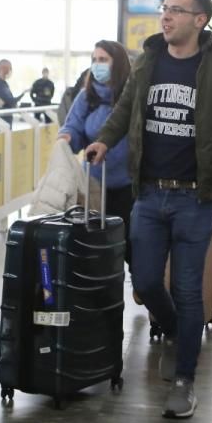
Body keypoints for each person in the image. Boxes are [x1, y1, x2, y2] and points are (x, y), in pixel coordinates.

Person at [87, 0, 212, 420]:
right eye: (164, 9)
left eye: (175, 10)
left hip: (197, 199)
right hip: (149, 195)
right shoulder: (147, 62)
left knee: (189, 291)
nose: (165, 16)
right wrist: (103, 141)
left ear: (200, 20)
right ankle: (173, 332)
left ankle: (186, 379)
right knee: (147, 282)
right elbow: (125, 109)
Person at [58, 41, 133, 268]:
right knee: (96, 249)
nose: (97, 65)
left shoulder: (131, 96)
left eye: (103, 60)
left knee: (131, 245)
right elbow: (73, 127)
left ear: (117, 64)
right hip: (93, 186)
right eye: (94, 60)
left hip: (130, 186)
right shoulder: (86, 97)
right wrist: (67, 138)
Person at [0, 59, 25, 125]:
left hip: (7, 119)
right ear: (2, 68)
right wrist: (22, 94)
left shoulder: (4, 84)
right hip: (0, 121)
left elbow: (9, 101)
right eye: (9, 68)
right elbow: (10, 101)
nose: (11, 70)